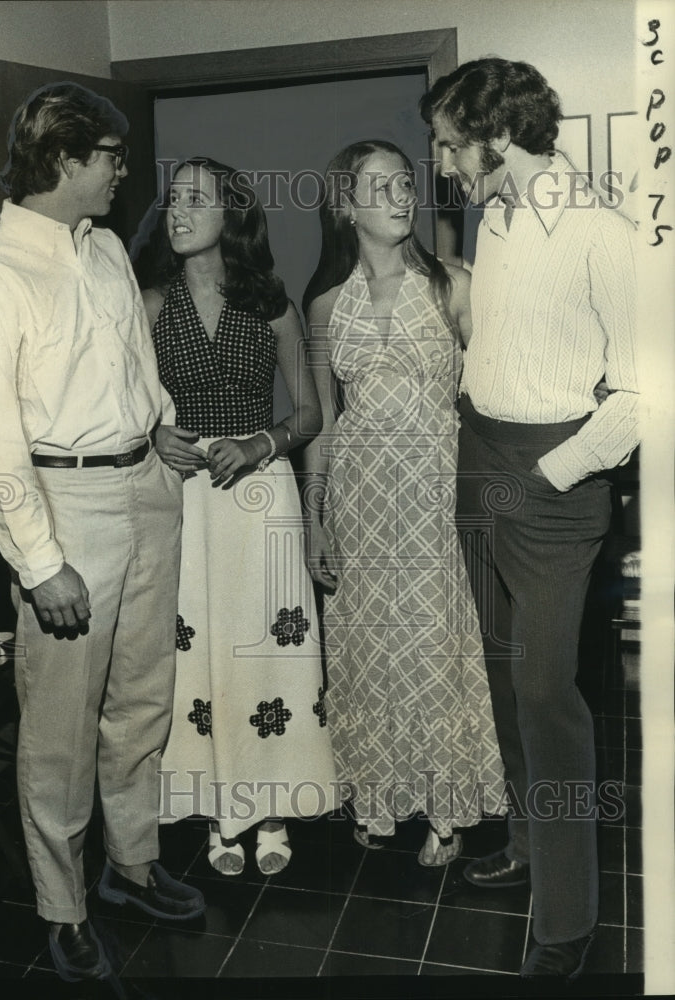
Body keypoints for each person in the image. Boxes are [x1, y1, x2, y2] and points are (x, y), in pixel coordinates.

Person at [0, 82, 205, 984]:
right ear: (64, 161)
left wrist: (159, 423)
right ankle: (64, 907)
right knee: (59, 730)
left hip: (146, 487)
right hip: (65, 510)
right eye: (110, 158)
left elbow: (135, 362)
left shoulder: (102, 255)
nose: (123, 172)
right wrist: (39, 563)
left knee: (141, 701)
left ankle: (131, 868)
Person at [420, 58, 638, 977]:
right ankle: (523, 839)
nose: (439, 164)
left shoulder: (602, 231)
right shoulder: (496, 217)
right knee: (504, 676)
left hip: (556, 478)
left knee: (549, 697)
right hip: (483, 460)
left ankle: (567, 921)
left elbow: (642, 395)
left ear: (495, 135)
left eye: (445, 143)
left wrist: (553, 472)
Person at [302, 140, 506, 867]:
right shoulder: (325, 303)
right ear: (344, 205)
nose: (396, 196)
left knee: (433, 645)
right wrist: (313, 520)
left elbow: (485, 400)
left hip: (435, 494)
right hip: (360, 501)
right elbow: (325, 423)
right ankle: (378, 797)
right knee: (369, 650)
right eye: (376, 185)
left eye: (402, 183)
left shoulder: (453, 283)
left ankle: (445, 811)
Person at [142, 157, 339, 877]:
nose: (179, 210)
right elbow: (126, 403)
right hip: (184, 497)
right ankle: (216, 808)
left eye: (197, 198)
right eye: (173, 199)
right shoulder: (151, 305)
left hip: (261, 499)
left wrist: (261, 443)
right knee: (198, 653)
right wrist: (153, 434)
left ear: (233, 214)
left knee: (270, 651)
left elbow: (311, 412)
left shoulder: (273, 307)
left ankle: (274, 804)